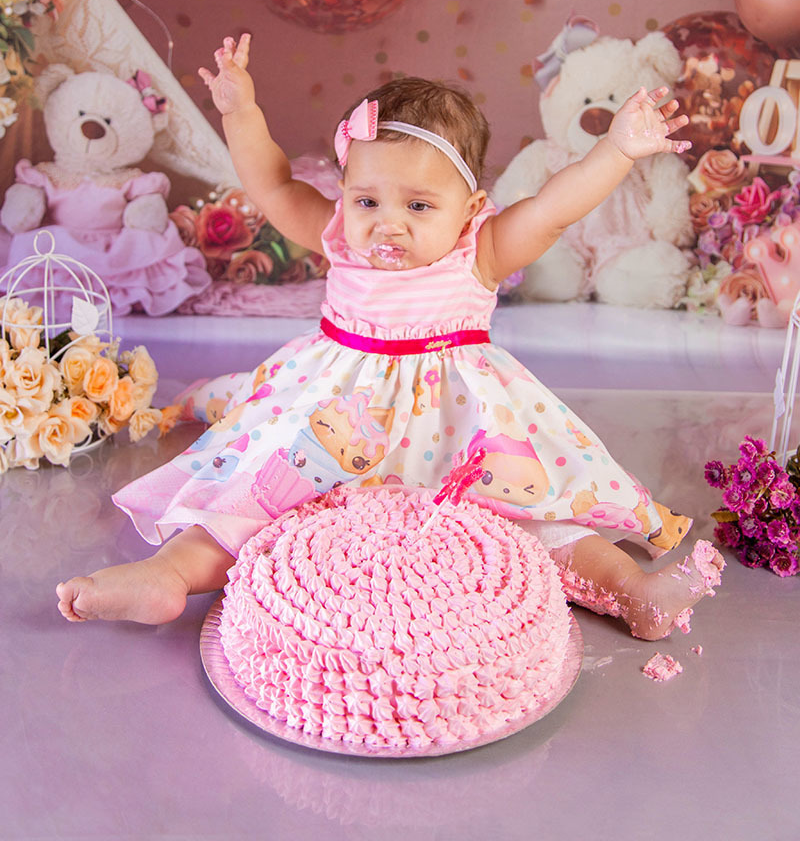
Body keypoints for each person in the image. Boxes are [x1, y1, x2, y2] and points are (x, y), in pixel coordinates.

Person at [56, 33, 723, 637]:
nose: (387, 224)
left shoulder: (482, 249)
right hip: (335, 420)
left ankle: (632, 590)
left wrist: (616, 150)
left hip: (456, 431)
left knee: (537, 515)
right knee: (259, 493)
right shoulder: (341, 239)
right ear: (345, 193)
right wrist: (241, 112)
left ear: (470, 208)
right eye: (368, 200)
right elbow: (275, 185)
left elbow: (555, 206)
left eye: (419, 206)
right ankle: (168, 575)